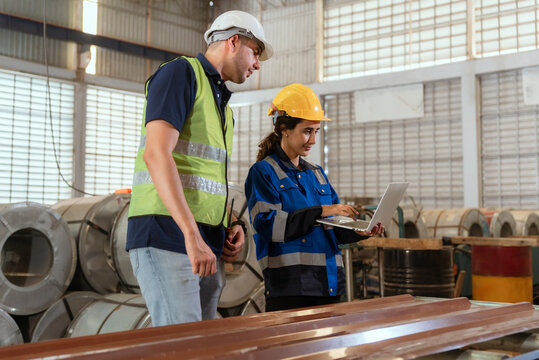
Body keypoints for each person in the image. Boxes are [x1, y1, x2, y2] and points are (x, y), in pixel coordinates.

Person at [126, 10, 273, 326]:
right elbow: (156, 154)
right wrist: (192, 236)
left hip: (207, 241)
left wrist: (230, 224)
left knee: (203, 344)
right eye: (255, 52)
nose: (258, 64)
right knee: (184, 344)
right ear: (233, 41)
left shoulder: (222, 107)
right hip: (168, 234)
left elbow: (203, 177)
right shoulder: (181, 74)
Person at [244, 83, 384, 312]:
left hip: (329, 285)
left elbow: (334, 228)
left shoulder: (316, 174)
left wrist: (358, 231)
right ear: (283, 129)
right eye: (307, 131)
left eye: (316, 131)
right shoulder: (263, 172)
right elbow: (269, 227)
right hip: (290, 289)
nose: (313, 140)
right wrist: (321, 211)